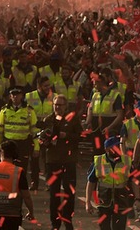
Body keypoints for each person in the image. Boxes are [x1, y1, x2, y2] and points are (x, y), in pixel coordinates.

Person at [39, 93, 83, 230]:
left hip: (68, 161)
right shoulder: (48, 120)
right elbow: (42, 141)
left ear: (66, 106)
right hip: (52, 161)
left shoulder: (73, 120)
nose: (57, 107)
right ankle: (55, 222)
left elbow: (80, 136)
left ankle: (67, 218)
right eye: (56, 105)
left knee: (69, 193)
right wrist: (45, 140)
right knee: (54, 193)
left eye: (60, 105)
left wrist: (67, 135)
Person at [0, 140, 36, 230]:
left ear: (1, 152)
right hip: (12, 215)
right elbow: (26, 196)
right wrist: (31, 212)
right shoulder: (18, 172)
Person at [85, 136, 132, 230]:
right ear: (107, 149)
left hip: (121, 202)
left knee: (119, 228)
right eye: (114, 147)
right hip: (104, 202)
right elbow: (91, 182)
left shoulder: (126, 161)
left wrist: (138, 199)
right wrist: (88, 202)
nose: (118, 149)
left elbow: (134, 181)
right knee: (104, 227)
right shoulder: (99, 161)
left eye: (118, 146)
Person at [0, 87, 38, 176]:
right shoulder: (4, 111)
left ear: (22, 96)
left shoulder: (29, 110)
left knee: (22, 169)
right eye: (13, 95)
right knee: (7, 169)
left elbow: (35, 130)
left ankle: (20, 188)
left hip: (23, 144)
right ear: (10, 96)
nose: (15, 97)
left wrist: (37, 147)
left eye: (17, 95)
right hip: (8, 144)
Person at [25, 75, 54, 190]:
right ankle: (34, 182)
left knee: (48, 159)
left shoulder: (54, 97)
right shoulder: (29, 96)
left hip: (48, 132)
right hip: (33, 132)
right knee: (34, 159)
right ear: (38, 86)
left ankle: (49, 182)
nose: (48, 88)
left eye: (49, 85)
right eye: (45, 86)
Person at [85, 74, 124, 157]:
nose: (94, 86)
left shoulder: (115, 95)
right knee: (97, 152)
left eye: (95, 84)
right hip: (96, 131)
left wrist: (109, 128)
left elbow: (120, 115)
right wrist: (88, 121)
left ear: (101, 83)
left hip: (108, 131)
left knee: (110, 152)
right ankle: (96, 168)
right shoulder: (95, 95)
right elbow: (90, 109)